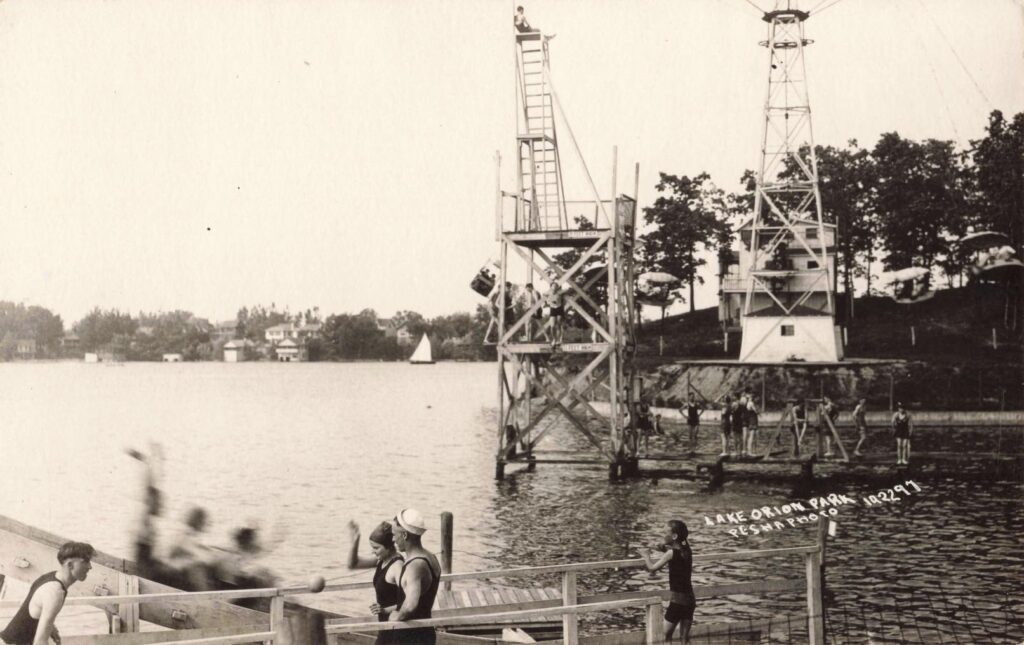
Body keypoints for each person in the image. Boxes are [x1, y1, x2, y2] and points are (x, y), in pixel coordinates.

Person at [1, 541, 94, 645]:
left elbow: (37, 610)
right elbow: (40, 642)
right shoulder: (55, 592)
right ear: (70, 565)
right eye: (85, 561)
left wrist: (51, 627)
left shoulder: (50, 577)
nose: (90, 567)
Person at [388, 509, 442, 645]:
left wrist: (396, 616)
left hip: (410, 636)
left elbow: (411, 605)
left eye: (394, 534)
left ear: (405, 535)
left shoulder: (415, 566)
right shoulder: (431, 557)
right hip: (426, 632)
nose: (393, 539)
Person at [347, 521, 404, 643]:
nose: (373, 551)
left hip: (397, 627)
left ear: (389, 547)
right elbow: (353, 564)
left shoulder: (397, 566)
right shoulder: (382, 560)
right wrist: (355, 542)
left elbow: (408, 600)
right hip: (385, 626)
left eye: (376, 548)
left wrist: (384, 610)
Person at [642, 520, 695, 644]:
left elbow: (652, 568)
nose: (662, 535)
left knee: (665, 636)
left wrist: (645, 556)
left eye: (665, 533)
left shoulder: (670, 553)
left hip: (677, 602)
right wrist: (661, 547)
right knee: (684, 638)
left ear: (674, 536)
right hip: (690, 600)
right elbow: (672, 549)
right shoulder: (687, 550)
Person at [546, 283, 565, 348]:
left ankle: (559, 340)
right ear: (551, 287)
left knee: (559, 324)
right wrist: (550, 301)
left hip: (559, 308)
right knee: (552, 326)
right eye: (553, 286)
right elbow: (546, 297)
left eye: (555, 286)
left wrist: (561, 292)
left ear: (557, 287)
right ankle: (554, 339)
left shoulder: (559, 292)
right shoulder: (548, 292)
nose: (554, 287)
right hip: (553, 309)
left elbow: (566, 290)